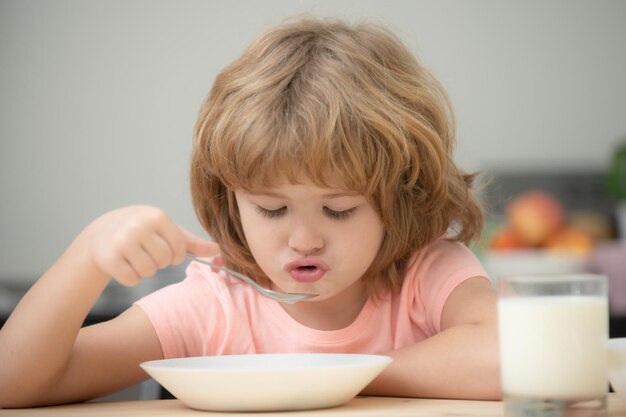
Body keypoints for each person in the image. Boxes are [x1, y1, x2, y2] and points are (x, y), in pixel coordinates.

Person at [0, 17, 500, 408]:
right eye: (271, 208)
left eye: (339, 210)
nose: (304, 238)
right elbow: (12, 382)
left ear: (401, 197)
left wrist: (344, 374)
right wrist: (87, 256)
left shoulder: (427, 270)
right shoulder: (219, 302)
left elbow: (509, 356)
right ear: (230, 200)